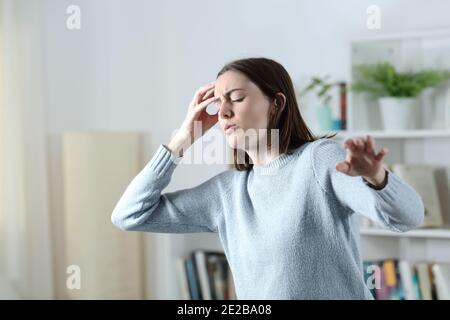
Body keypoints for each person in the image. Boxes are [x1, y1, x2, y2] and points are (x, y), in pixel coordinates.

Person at [111, 57, 424, 299]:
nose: (223, 112)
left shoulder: (318, 160)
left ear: (276, 104)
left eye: (236, 97)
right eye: (218, 103)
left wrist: (376, 176)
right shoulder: (227, 193)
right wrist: (182, 138)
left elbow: (408, 217)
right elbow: (129, 215)